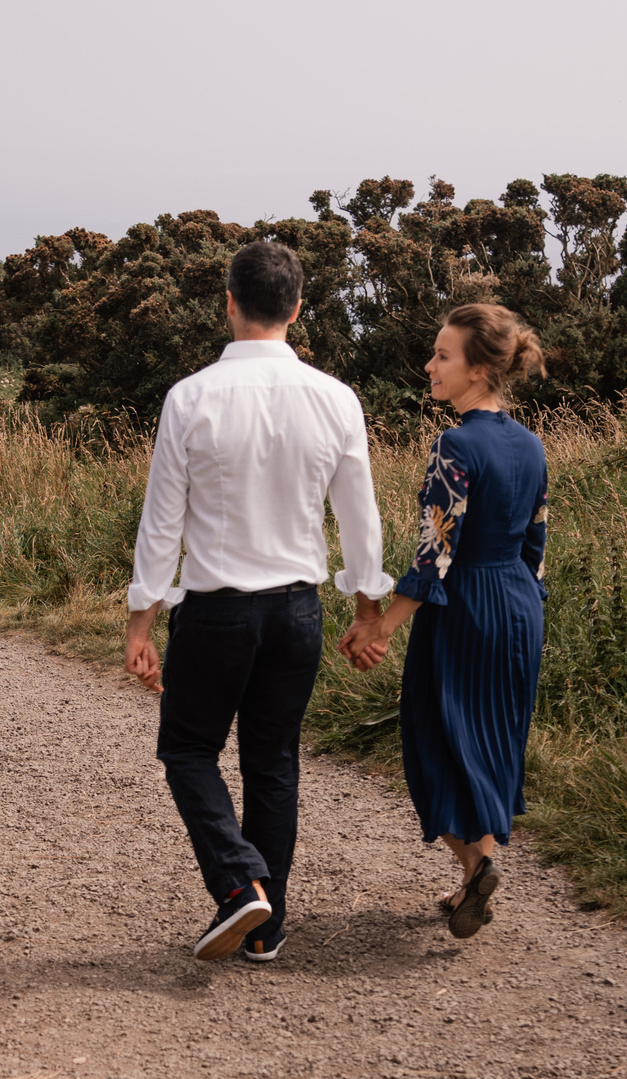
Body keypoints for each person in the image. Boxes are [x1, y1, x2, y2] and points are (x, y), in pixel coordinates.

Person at [125, 239, 387, 963]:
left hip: (216, 610)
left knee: (188, 749)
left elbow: (162, 522)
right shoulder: (336, 398)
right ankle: (266, 928)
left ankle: (240, 885)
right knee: (273, 761)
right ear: (297, 308)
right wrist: (368, 608)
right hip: (297, 611)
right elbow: (360, 517)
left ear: (229, 303)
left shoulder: (191, 397)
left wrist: (141, 621)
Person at [338, 303, 549, 940]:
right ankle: (471, 881)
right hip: (519, 606)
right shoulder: (531, 445)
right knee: (490, 740)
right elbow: (535, 542)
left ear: (479, 370)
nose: (429, 365)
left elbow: (436, 555)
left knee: (433, 737)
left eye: (442, 355)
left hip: (464, 607)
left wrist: (381, 627)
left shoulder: (454, 445)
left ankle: (478, 864)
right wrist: (527, 603)